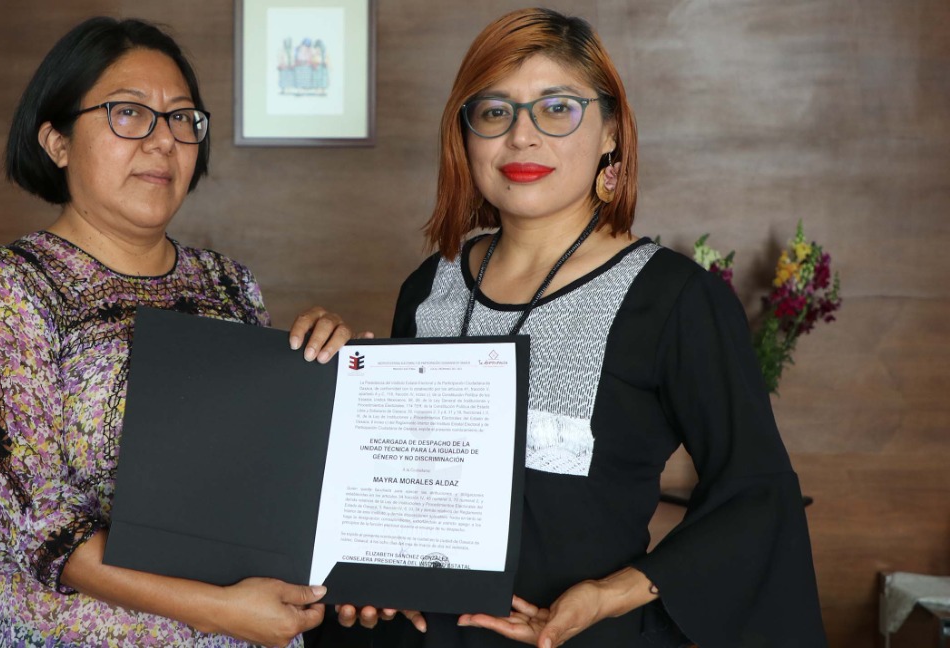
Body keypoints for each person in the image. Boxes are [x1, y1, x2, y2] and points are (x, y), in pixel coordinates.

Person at [331, 8, 826, 647]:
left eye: (557, 109)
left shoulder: (674, 299)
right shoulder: (429, 288)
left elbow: (756, 494)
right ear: (466, 135)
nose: (522, 137)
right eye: (495, 111)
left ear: (610, 133)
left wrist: (612, 593)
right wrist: (367, 577)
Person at [0, 17, 361, 648]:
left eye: (182, 118)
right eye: (128, 113)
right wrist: (217, 611)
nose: (163, 141)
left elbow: (261, 487)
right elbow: (26, 523)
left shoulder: (229, 284)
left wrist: (332, 377)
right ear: (56, 141)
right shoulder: (6, 288)